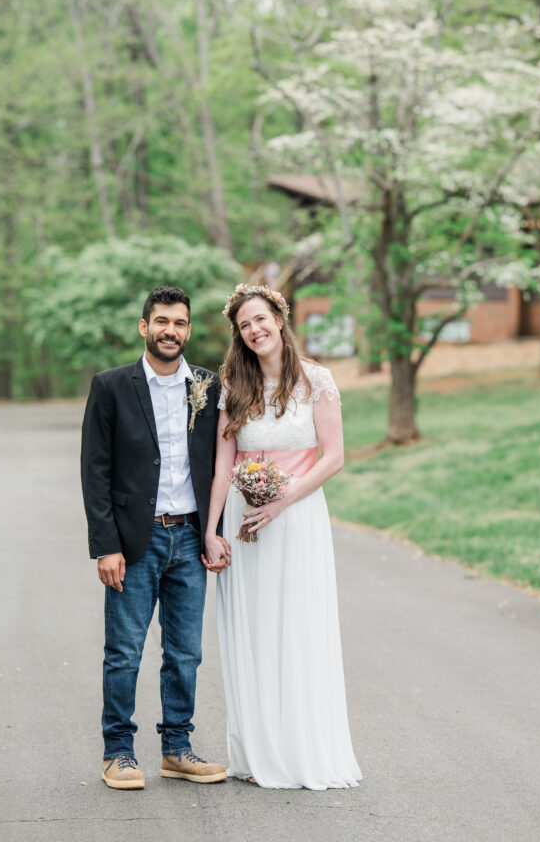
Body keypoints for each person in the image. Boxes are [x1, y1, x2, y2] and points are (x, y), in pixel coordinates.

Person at [203, 283, 362, 790]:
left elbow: (333, 457)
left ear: (279, 317)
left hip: (297, 518)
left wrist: (283, 498)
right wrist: (210, 529)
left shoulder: (317, 380)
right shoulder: (233, 384)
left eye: (261, 319)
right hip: (243, 520)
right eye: (244, 325)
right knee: (253, 627)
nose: (254, 330)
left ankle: (301, 751)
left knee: (297, 623)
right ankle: (257, 751)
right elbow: (223, 467)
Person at [81, 286, 230, 790]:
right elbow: (95, 469)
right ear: (144, 327)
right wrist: (105, 544)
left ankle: (176, 748)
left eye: (181, 323)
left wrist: (216, 532)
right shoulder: (111, 386)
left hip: (189, 538)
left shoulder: (208, 386)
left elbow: (222, 464)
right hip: (133, 542)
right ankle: (118, 751)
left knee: (185, 653)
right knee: (124, 651)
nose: (171, 331)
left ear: (189, 330)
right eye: (162, 321)